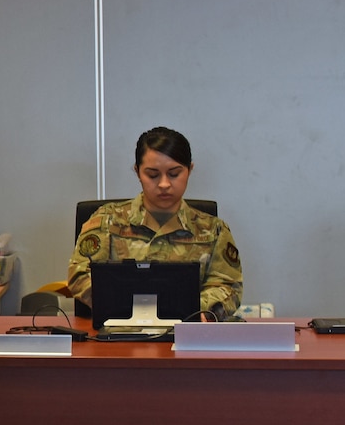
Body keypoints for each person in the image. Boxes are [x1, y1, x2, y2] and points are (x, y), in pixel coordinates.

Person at [65, 126, 243, 320]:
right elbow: (80, 275)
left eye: (174, 174)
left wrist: (187, 308)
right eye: (152, 175)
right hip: (118, 332)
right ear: (137, 172)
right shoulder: (107, 221)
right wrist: (133, 305)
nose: (164, 184)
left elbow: (227, 286)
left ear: (190, 170)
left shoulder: (213, 230)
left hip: (187, 332)